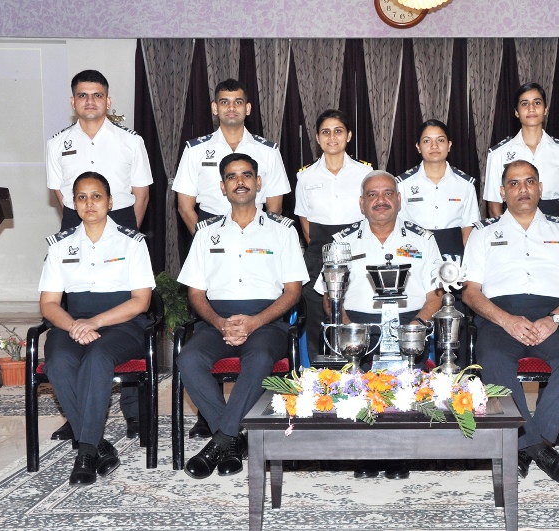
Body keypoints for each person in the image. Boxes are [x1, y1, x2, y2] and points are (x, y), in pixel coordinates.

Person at [176, 153, 308, 480]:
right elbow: (195, 293)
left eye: (247, 175)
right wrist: (220, 323)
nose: (240, 182)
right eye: (232, 177)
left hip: (267, 321)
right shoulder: (206, 233)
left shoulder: (283, 231)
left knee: (260, 356)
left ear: (258, 182)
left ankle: (219, 441)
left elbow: (292, 292)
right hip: (216, 320)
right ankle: (233, 439)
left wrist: (254, 322)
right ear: (222, 187)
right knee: (188, 359)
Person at [462, 160, 559, 483]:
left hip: (553, 317)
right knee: (491, 359)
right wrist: (506, 320)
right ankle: (539, 448)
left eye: (530, 181)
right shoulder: (482, 234)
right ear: (502, 192)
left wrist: (555, 318)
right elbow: (471, 293)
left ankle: (524, 444)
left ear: (540, 188)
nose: (523, 189)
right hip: (499, 317)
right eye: (515, 183)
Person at [45, 69, 152, 442]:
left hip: (120, 219)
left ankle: (136, 414)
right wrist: (86, 222)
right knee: (76, 315)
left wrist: (121, 236)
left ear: (108, 100)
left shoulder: (129, 141)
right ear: (73, 102)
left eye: (97, 95)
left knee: (126, 320)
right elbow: (61, 194)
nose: (90, 101)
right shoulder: (57, 143)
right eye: (82, 95)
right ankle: (78, 413)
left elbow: (141, 193)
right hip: (77, 221)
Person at [317, 170, 443, 480]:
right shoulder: (341, 242)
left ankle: (399, 451)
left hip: (410, 322)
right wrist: (346, 327)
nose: (380, 200)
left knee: (402, 384)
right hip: (358, 324)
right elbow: (329, 295)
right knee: (360, 386)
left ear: (399, 200)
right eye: (372, 195)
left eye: (387, 193)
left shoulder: (423, 239)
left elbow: (436, 293)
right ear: (361, 203)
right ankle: (365, 450)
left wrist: (416, 325)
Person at [38, 172, 156, 486]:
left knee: (97, 357)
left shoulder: (132, 242)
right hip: (72, 323)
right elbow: (49, 304)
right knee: (59, 361)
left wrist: (95, 323)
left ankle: (86, 452)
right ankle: (97, 444)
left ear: (110, 201)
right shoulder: (60, 246)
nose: (89, 203)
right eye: (81, 197)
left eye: (97, 196)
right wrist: (75, 325)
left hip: (123, 323)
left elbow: (141, 301)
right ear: (73, 203)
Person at [295, 109, 371, 364]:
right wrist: (322, 252)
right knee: (318, 319)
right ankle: (321, 380)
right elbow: (304, 221)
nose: (332, 137)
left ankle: (360, 373)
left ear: (348, 136)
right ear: (317, 138)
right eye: (325, 132)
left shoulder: (365, 174)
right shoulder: (305, 177)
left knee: (356, 314)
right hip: (319, 256)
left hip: (358, 254)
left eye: (338, 131)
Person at [173, 78, 290, 235]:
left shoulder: (268, 151)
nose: (231, 107)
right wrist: (204, 241)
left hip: (255, 231)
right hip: (210, 229)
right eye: (224, 102)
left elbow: (275, 207)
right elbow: (185, 207)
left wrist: (264, 236)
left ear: (247, 108)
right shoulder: (195, 150)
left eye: (238, 102)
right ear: (215, 108)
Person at [483, 82, 559, 219]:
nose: (531, 108)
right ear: (516, 112)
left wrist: (556, 234)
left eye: (537, 103)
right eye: (525, 104)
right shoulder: (498, 154)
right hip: (512, 226)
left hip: (552, 228)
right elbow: (494, 207)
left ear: (546, 110)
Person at [396, 119, 479, 256]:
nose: (434, 146)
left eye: (440, 140)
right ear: (418, 147)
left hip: (453, 254)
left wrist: (467, 264)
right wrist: (414, 260)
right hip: (414, 251)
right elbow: (397, 228)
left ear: (449, 145)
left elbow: (469, 230)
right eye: (427, 141)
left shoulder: (465, 185)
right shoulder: (402, 184)